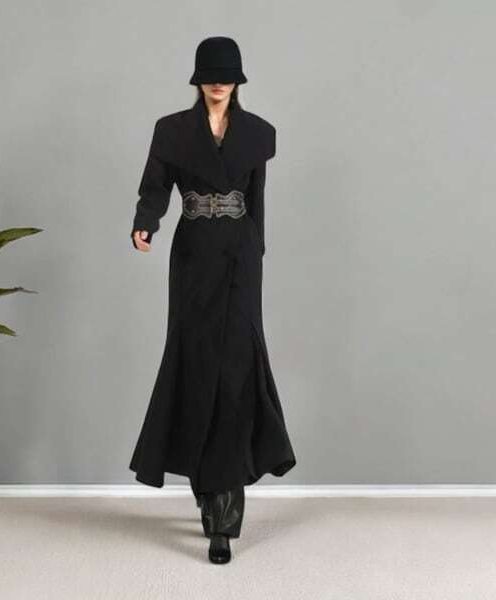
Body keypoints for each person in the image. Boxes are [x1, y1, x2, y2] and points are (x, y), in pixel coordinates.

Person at [129, 36, 296, 564]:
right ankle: (206, 484)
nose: (219, 83)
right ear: (199, 79)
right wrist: (145, 222)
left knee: (237, 373)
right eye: (211, 75)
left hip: (241, 261)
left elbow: (257, 202)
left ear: (237, 80)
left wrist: (257, 254)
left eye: (227, 75)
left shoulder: (258, 134)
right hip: (194, 259)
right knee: (198, 366)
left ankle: (223, 515)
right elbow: (155, 185)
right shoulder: (172, 131)